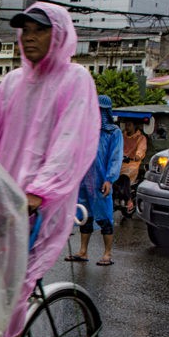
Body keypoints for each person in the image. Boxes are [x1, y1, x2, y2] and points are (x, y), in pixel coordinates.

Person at [0, 2, 100, 337]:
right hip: (4, 196)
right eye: (24, 30)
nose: (29, 37)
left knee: (17, 279)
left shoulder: (75, 80)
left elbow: (69, 141)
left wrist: (39, 191)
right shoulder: (12, 82)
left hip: (44, 201)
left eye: (39, 30)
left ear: (58, 35)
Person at [65, 95, 123, 266]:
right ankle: (83, 251)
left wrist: (109, 179)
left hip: (101, 181)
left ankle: (107, 253)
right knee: (85, 216)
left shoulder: (113, 133)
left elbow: (115, 157)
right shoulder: (86, 132)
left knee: (105, 217)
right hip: (84, 180)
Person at [115, 120, 147, 214]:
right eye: (126, 125)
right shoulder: (121, 136)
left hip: (132, 164)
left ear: (134, 126)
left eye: (129, 125)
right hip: (120, 162)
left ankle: (129, 200)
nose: (127, 127)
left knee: (125, 177)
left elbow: (141, 150)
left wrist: (137, 156)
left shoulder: (141, 138)